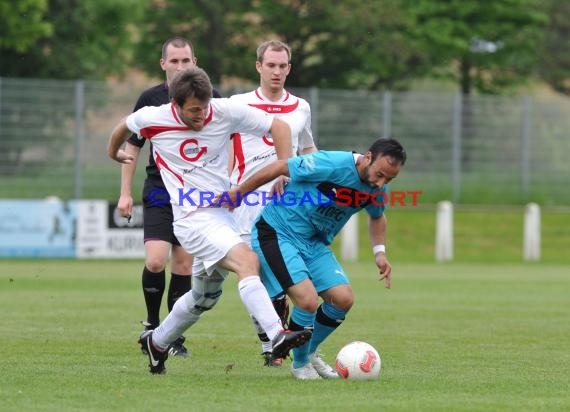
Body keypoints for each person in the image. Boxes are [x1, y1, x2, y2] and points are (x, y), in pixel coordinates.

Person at [107, 66, 312, 375]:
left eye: (204, 108)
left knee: (204, 297)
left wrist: (283, 169)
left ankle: (158, 342)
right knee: (247, 261)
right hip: (192, 218)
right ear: (175, 105)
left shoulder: (223, 111)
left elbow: (280, 127)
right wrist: (114, 152)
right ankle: (275, 336)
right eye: (193, 111)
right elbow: (124, 126)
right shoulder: (155, 117)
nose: (201, 115)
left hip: (223, 216)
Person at [219, 138, 407, 379]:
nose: (381, 182)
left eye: (389, 179)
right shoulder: (331, 163)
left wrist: (379, 252)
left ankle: (308, 352)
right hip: (278, 232)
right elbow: (280, 167)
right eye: (380, 174)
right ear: (368, 157)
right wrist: (238, 193)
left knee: (343, 299)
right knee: (306, 301)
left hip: (313, 243)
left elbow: (377, 215)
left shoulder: (377, 188)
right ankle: (300, 365)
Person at [116, 37, 221, 357]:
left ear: (195, 62)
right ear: (163, 64)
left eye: (185, 61)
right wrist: (125, 194)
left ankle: (173, 337)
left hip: (194, 193)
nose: (179, 66)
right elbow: (132, 146)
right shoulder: (150, 99)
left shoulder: (211, 98)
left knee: (184, 263)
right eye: (173, 61)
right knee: (155, 259)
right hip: (160, 188)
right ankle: (151, 324)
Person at [229, 40, 317, 367]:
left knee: (276, 275)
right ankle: (271, 342)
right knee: (252, 274)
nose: (277, 71)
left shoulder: (301, 107)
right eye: (271, 65)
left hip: (286, 204)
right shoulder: (238, 104)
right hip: (244, 204)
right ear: (259, 67)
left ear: (289, 68)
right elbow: (219, 145)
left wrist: (312, 179)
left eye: (282, 66)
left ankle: (273, 348)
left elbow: (307, 149)